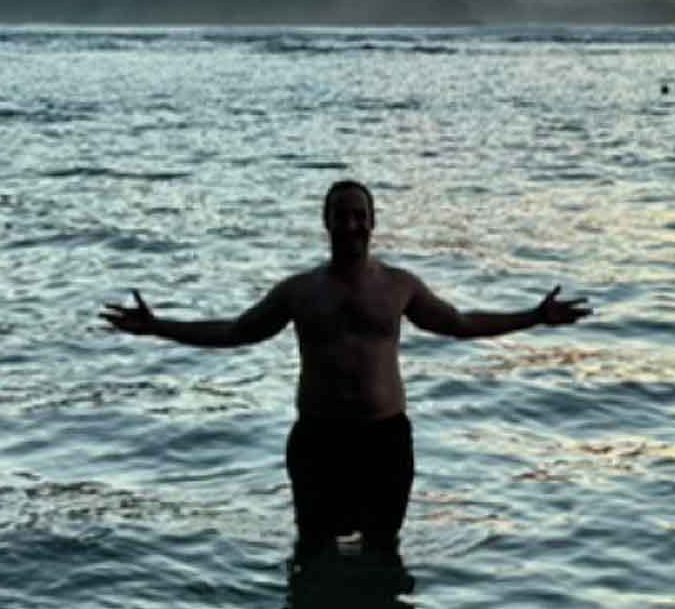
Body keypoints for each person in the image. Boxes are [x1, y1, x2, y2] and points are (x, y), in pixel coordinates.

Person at [100, 179, 590, 555]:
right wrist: (158, 326)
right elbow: (236, 331)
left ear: (373, 223)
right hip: (319, 441)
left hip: (385, 440)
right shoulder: (300, 290)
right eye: (342, 216)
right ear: (326, 222)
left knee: (383, 552)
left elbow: (458, 323)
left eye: (361, 216)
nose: (352, 224)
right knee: (313, 552)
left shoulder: (399, 285)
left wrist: (534, 317)